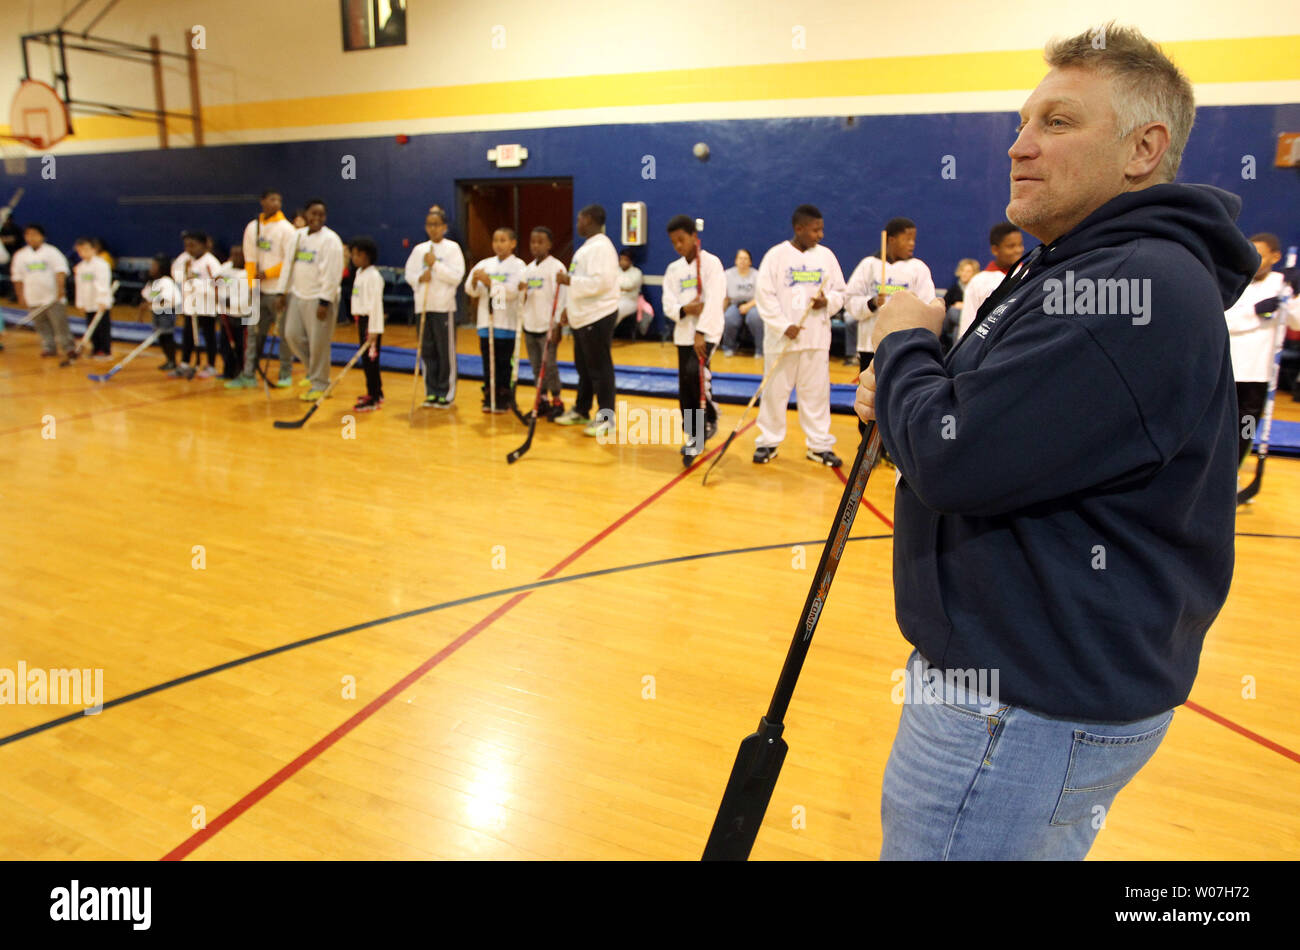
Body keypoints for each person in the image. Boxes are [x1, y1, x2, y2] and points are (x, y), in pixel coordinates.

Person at [855, 22, 1257, 860]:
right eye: (1022, 122)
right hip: (1037, 690)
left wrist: (900, 345)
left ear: (1143, 148)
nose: (1018, 146)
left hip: (1018, 705)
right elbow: (984, 423)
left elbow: (954, 453)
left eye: (1057, 124)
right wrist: (906, 397)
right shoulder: (1081, 266)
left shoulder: (1131, 284)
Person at [752, 203, 846, 466]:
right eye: (815, 230)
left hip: (816, 340)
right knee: (774, 393)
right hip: (782, 341)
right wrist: (784, 325)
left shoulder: (827, 256)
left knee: (816, 395)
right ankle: (768, 442)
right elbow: (764, 296)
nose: (820, 235)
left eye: (821, 230)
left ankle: (818, 445)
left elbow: (841, 291)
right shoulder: (775, 256)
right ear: (799, 228)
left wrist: (827, 301)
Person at [662, 215, 725, 465]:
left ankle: (709, 417)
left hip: (706, 332)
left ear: (693, 237)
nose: (678, 245)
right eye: (673, 241)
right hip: (683, 334)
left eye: (682, 239)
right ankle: (693, 433)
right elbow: (668, 303)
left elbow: (715, 298)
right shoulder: (673, 270)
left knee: (695, 373)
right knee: (685, 384)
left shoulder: (711, 263)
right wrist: (685, 309)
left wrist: (701, 331)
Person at [554, 204, 620, 437]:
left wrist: (569, 281)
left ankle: (606, 419)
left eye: (580, 219)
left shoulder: (602, 248)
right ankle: (581, 410)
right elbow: (582, 281)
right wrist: (567, 309)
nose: (577, 223)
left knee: (600, 369)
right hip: (582, 316)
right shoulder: (588, 247)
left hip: (598, 315)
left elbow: (599, 283)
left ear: (590, 219)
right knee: (584, 368)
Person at [1225, 233, 1290, 470]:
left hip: (1257, 375)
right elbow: (1224, 320)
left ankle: (1235, 470)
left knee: (1247, 426)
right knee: (1219, 426)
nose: (1255, 260)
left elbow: (1295, 322)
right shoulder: (1235, 282)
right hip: (1228, 370)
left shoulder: (1283, 284)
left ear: (1276, 257)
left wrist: (1291, 298)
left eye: (1261, 256)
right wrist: (1257, 312)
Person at [231, 189, 298, 389]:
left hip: (280, 291)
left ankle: (285, 373)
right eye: (272, 199)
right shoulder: (253, 227)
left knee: (284, 335)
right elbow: (250, 260)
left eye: (279, 199)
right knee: (253, 334)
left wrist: (268, 274)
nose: (276, 202)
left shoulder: (287, 229)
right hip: (259, 291)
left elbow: (290, 261)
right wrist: (253, 286)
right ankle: (248, 374)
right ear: (262, 201)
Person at [280, 199, 344, 401]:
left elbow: (333, 274)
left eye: (321, 215)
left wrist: (325, 302)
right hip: (298, 295)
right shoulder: (297, 237)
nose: (316, 218)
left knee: (319, 344)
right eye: (313, 214)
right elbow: (288, 265)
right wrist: (282, 292)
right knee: (292, 336)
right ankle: (313, 371)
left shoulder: (331, 240)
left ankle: (321, 384)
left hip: (319, 299)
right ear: (305, 214)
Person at [404, 209, 465, 408]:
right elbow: (409, 275)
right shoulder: (419, 249)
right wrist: (420, 277)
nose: (433, 228)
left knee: (444, 351)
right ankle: (431, 391)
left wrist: (436, 266)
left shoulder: (452, 248)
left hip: (443, 306)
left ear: (444, 227)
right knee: (428, 350)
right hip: (423, 306)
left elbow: (457, 276)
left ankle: (445, 392)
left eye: (437, 224)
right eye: (429, 224)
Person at [464, 227, 526, 412]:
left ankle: (504, 396)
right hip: (486, 322)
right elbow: (470, 289)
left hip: (506, 323)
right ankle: (489, 394)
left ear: (513, 243)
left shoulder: (518, 266)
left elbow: (511, 293)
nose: (498, 244)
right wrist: (475, 282)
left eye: (503, 240)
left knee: (503, 363)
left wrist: (491, 283)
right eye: (495, 240)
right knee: (488, 362)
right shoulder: (485, 264)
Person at [518, 226, 567, 420]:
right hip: (530, 325)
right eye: (533, 242)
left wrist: (558, 326)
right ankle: (542, 400)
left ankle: (557, 400)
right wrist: (521, 292)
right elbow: (521, 299)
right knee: (536, 367)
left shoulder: (557, 268)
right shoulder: (527, 270)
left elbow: (562, 298)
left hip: (548, 326)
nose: (536, 245)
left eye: (540, 242)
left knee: (550, 366)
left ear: (549, 244)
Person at [956, 222, 1026, 340]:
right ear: (995, 250)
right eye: (1011, 246)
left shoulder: (1030, 274)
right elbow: (968, 322)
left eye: (1020, 245)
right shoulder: (979, 281)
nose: (1018, 250)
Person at [11, 224, 72, 358]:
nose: (31, 238)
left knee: (59, 324)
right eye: (28, 235)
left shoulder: (52, 252)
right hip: (33, 296)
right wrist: (20, 295)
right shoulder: (20, 255)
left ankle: (68, 347)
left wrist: (60, 289)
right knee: (41, 325)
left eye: (34, 234)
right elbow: (17, 277)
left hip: (52, 297)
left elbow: (60, 271)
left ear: (42, 236)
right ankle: (49, 347)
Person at [172, 230, 221, 378]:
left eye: (193, 245)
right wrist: (184, 276)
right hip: (191, 306)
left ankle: (211, 365)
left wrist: (198, 286)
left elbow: (218, 284)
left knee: (209, 336)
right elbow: (176, 274)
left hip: (206, 306)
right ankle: (185, 364)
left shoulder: (210, 262)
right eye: (186, 246)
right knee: (188, 335)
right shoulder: (186, 259)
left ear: (203, 245)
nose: (189, 249)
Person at [348, 236, 386, 412]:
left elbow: (376, 305)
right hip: (362, 321)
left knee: (371, 361)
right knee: (366, 360)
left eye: (357, 254)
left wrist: (374, 330)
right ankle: (375, 392)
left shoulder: (374, 276)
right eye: (353, 254)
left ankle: (374, 397)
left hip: (371, 324)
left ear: (367, 256)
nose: (353, 258)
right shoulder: (359, 273)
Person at [71, 236, 113, 360]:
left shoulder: (101, 265)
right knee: (91, 327)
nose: (83, 253)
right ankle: (96, 349)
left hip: (100, 303)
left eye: (85, 249)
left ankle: (105, 351)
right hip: (88, 302)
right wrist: (80, 303)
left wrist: (102, 300)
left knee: (102, 328)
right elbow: (79, 286)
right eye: (80, 251)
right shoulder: (80, 267)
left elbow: (103, 284)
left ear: (94, 249)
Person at [138, 254, 182, 370]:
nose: (151, 268)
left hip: (166, 313)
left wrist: (151, 304)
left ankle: (172, 361)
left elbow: (166, 299)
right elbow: (147, 298)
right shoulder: (152, 283)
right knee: (162, 338)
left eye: (154, 266)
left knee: (167, 337)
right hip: (156, 313)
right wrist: (142, 313)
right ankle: (169, 360)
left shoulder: (166, 281)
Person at [216, 246, 251, 380]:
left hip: (242, 315)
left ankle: (241, 372)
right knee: (225, 345)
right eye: (233, 254)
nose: (236, 257)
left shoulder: (248, 273)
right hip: (226, 314)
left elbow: (244, 298)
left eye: (239, 254)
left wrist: (225, 301)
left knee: (241, 346)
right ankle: (228, 371)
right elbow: (216, 280)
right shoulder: (226, 268)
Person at [721, 248, 761, 357]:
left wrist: (748, 306)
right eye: (740, 258)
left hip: (753, 304)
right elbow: (725, 297)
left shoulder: (757, 275)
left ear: (750, 262)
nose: (743, 261)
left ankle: (760, 349)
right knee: (729, 318)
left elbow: (761, 296)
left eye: (746, 259)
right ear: (736, 261)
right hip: (734, 304)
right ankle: (728, 347)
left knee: (755, 318)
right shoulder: (727, 275)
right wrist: (721, 312)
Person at [941, 258, 979, 350]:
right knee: (953, 311)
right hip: (949, 322)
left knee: (957, 329)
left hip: (969, 320)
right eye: (963, 270)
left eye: (968, 271)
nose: (964, 274)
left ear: (974, 273)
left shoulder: (977, 289)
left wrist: (964, 306)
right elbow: (943, 306)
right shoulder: (954, 289)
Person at [615, 251, 643, 335]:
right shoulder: (614, 271)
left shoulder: (637, 272)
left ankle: (606, 334)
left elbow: (629, 286)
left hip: (630, 301)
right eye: (621, 259)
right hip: (614, 299)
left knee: (616, 310)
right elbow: (608, 284)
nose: (622, 262)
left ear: (631, 261)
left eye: (625, 260)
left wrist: (617, 286)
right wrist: (620, 287)